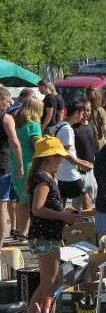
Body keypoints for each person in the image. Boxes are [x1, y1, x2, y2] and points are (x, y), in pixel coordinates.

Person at [25, 136, 84, 313]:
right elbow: (38, 209)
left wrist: (65, 214)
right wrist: (63, 216)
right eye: (59, 157)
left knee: (46, 283)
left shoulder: (47, 177)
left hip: (47, 235)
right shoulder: (43, 179)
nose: (61, 161)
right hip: (45, 236)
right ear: (49, 156)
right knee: (51, 283)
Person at [10, 97, 43, 240]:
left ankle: (20, 230)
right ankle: (25, 231)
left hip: (15, 164)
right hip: (29, 165)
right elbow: (39, 147)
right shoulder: (34, 126)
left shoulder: (15, 123)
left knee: (21, 200)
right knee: (31, 201)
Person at [0, 88, 24, 247]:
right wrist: (20, 164)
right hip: (2, 167)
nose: (9, 105)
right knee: (2, 206)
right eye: (7, 101)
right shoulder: (6, 118)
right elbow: (15, 142)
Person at [72, 100, 99, 208]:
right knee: (80, 199)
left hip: (91, 166)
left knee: (90, 196)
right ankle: (80, 222)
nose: (87, 113)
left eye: (89, 110)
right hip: (80, 169)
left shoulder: (90, 125)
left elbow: (91, 146)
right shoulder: (74, 128)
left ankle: (83, 222)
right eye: (84, 110)